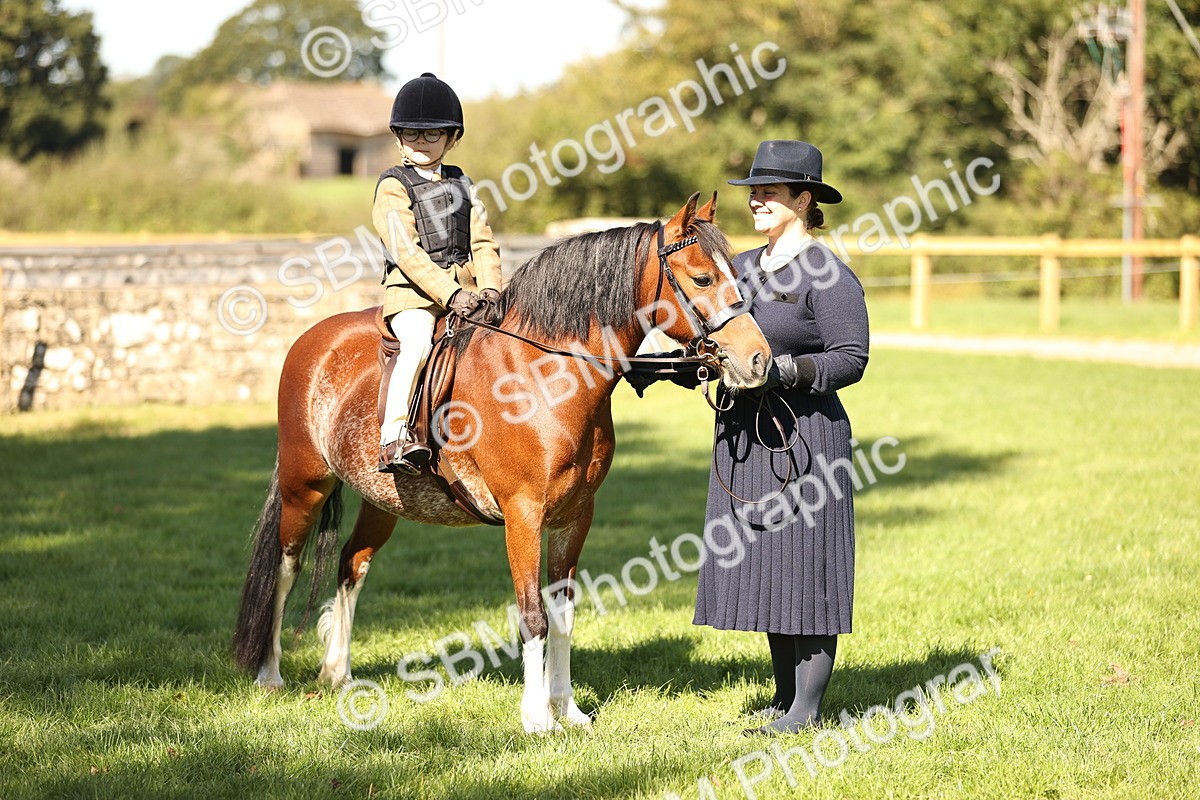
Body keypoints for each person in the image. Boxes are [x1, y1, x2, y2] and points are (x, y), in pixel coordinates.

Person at [692, 140, 869, 735]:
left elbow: (852, 358)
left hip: (808, 437)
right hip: (746, 435)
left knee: (808, 570)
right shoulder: (738, 267)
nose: (758, 200)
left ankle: (807, 710)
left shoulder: (830, 274)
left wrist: (788, 371)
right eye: (754, 192)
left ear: (805, 199)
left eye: (771, 191)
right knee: (770, 567)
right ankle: (784, 696)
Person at [373, 72, 504, 475]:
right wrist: (451, 295)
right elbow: (407, 253)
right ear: (398, 136)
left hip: (468, 292)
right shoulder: (393, 187)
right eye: (412, 133)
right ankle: (393, 438)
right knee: (417, 346)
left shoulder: (463, 182)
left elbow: (482, 242)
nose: (422, 142)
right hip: (414, 295)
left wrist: (492, 289)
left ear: (451, 138)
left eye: (432, 135)